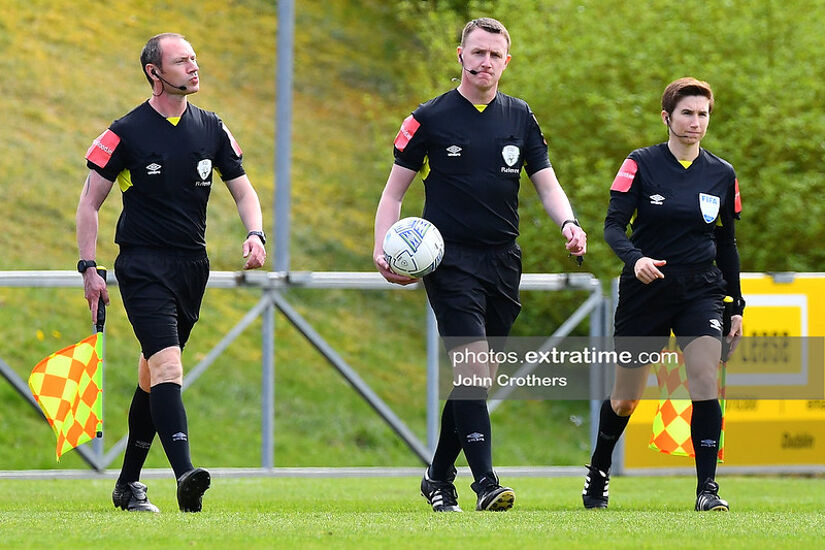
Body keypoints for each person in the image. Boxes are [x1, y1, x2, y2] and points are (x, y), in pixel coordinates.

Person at [373, 17, 586, 513]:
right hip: (448, 262)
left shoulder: (520, 116)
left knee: (479, 377)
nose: (485, 61)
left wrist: (569, 224)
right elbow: (393, 193)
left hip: (503, 259)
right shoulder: (430, 118)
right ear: (460, 56)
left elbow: (547, 183)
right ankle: (485, 482)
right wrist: (382, 247)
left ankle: (437, 476)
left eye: (495, 54)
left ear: (506, 61)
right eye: (478, 52)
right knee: (472, 368)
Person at [76, 33, 267, 513]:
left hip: (191, 267)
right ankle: (185, 474)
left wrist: (256, 233)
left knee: (150, 375)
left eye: (195, 60)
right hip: (142, 265)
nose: (194, 68)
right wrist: (88, 266)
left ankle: (127, 485)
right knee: (168, 367)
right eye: (182, 62)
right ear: (154, 72)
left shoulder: (212, 128)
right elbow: (89, 202)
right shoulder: (125, 132)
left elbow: (243, 191)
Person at [583, 77, 744, 512]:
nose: (695, 122)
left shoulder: (722, 173)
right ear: (667, 117)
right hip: (645, 291)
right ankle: (599, 470)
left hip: (701, 290)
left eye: (703, 114)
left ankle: (707, 489)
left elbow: (727, 244)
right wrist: (635, 258)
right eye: (687, 113)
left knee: (704, 376)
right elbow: (613, 226)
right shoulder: (639, 163)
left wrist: (736, 304)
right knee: (626, 397)